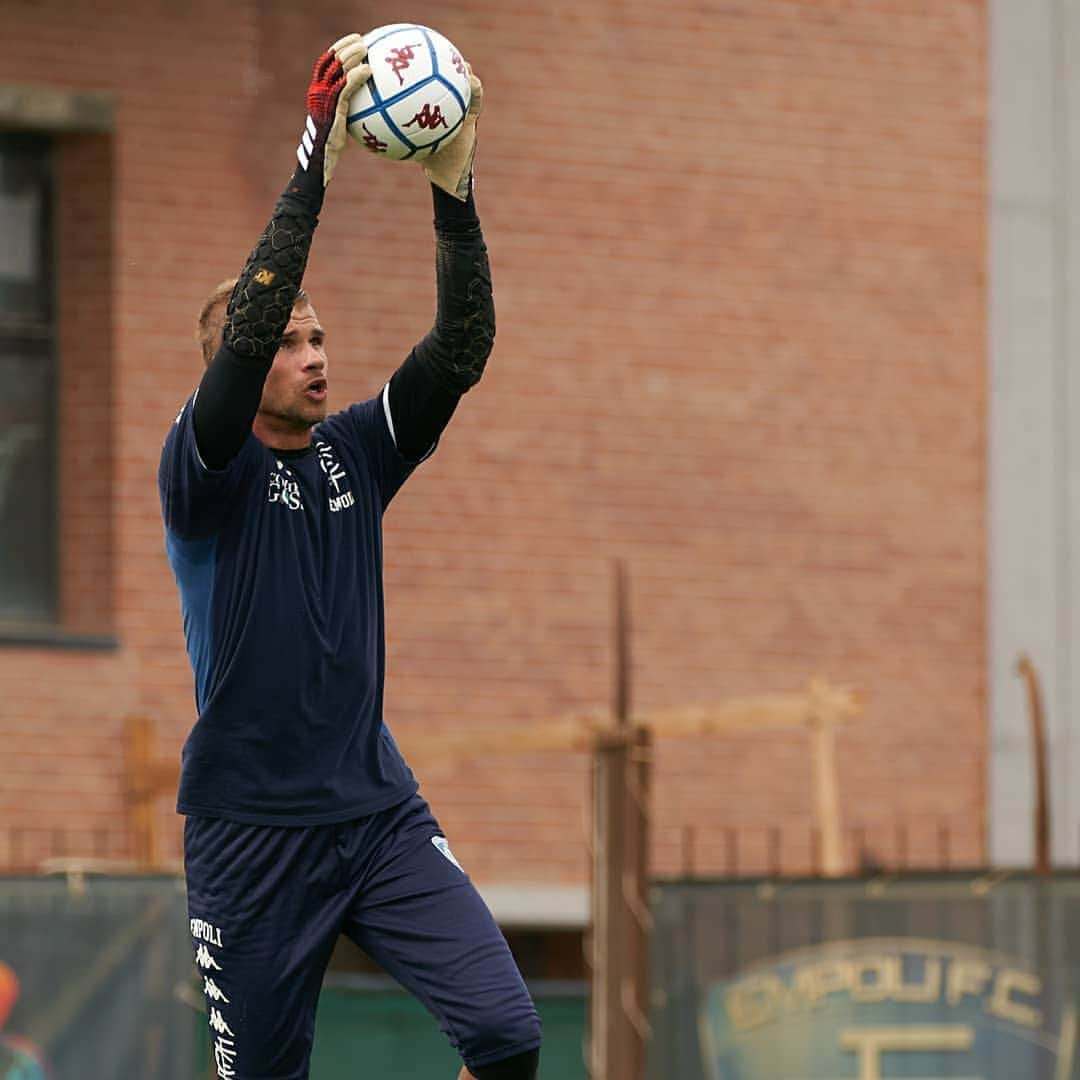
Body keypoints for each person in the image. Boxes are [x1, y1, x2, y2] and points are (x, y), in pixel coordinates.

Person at [158, 35, 541, 1080]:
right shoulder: (205, 470)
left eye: (319, 337)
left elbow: (461, 345)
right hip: (247, 835)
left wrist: (453, 191)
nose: (313, 353)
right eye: (288, 340)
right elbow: (244, 343)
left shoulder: (360, 453)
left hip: (374, 814)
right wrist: (312, 166)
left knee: (508, 1039)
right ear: (237, 364)